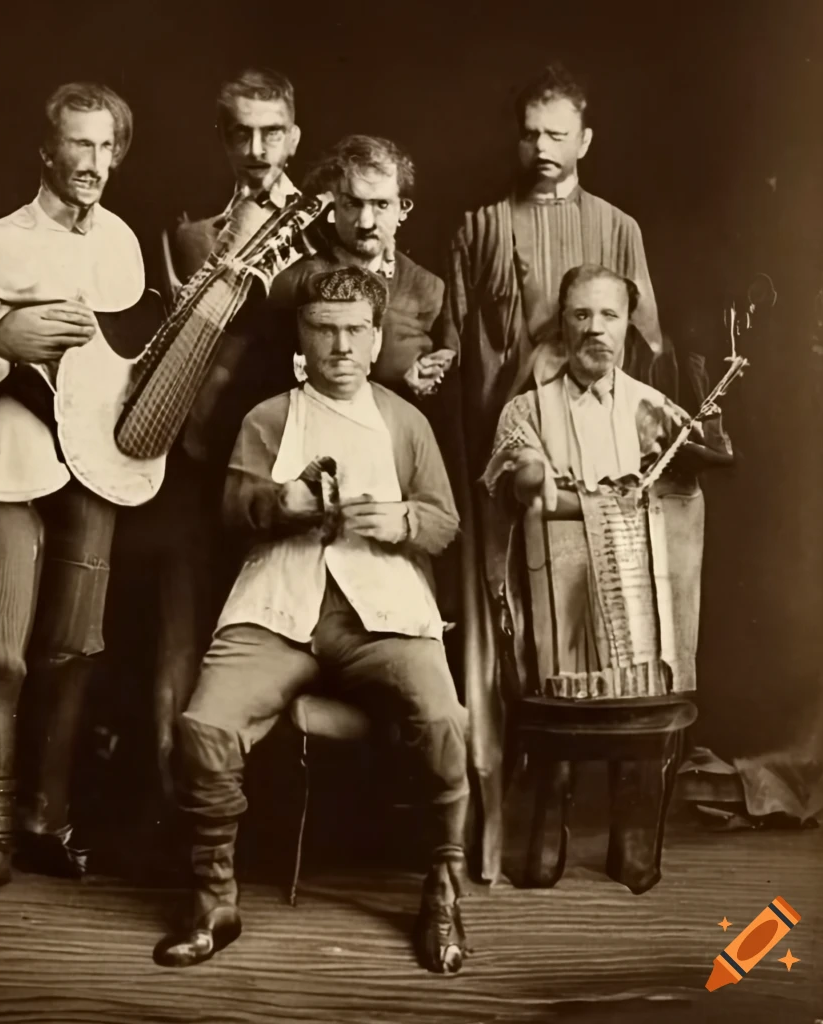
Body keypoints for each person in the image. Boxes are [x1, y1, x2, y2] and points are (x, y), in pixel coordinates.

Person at [441, 63, 726, 881]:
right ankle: (536, 816)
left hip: (617, 468)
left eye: (557, 132)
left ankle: (635, 819)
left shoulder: (620, 232)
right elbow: (460, 348)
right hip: (528, 463)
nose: (541, 147)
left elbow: (649, 347)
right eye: (529, 132)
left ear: (585, 140)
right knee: (541, 647)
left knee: (635, 634)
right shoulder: (483, 228)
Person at [154, 266, 470, 974]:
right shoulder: (268, 418)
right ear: (301, 334)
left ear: (376, 335)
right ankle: (213, 899)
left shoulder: (404, 421)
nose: (340, 346)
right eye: (324, 329)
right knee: (205, 727)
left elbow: (445, 524)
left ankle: (443, 892)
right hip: (279, 606)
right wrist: (277, 505)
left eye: (356, 330)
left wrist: (403, 519)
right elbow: (232, 512)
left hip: (381, 611)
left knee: (446, 720)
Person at [0, 82, 144, 924]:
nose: (91, 164)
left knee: (74, 652)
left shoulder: (123, 243)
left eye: (104, 148)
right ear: (45, 151)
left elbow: (126, 366)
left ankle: (45, 817)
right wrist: (2, 348)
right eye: (76, 146)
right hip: (9, 460)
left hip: (96, 469)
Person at [482, 263, 716, 892]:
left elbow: (689, 482)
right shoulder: (527, 407)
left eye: (609, 315)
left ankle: (633, 847)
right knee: (557, 721)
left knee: (642, 710)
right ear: (562, 324)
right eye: (581, 315)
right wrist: (532, 475)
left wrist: (690, 462)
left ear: (627, 327)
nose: (595, 329)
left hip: (636, 598)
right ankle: (545, 843)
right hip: (557, 598)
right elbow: (515, 473)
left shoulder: (654, 409)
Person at [122, 68, 306, 798]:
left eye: (272, 132)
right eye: (242, 133)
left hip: (285, 470)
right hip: (195, 466)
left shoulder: (329, 228)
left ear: (295, 136)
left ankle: (273, 813)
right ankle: (180, 804)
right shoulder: (190, 233)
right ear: (224, 139)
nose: (258, 148)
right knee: (180, 631)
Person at [269, 135, 455, 402]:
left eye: (381, 205)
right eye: (353, 204)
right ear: (334, 207)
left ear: (403, 209)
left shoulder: (428, 289)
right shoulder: (295, 282)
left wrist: (432, 371)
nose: (366, 222)